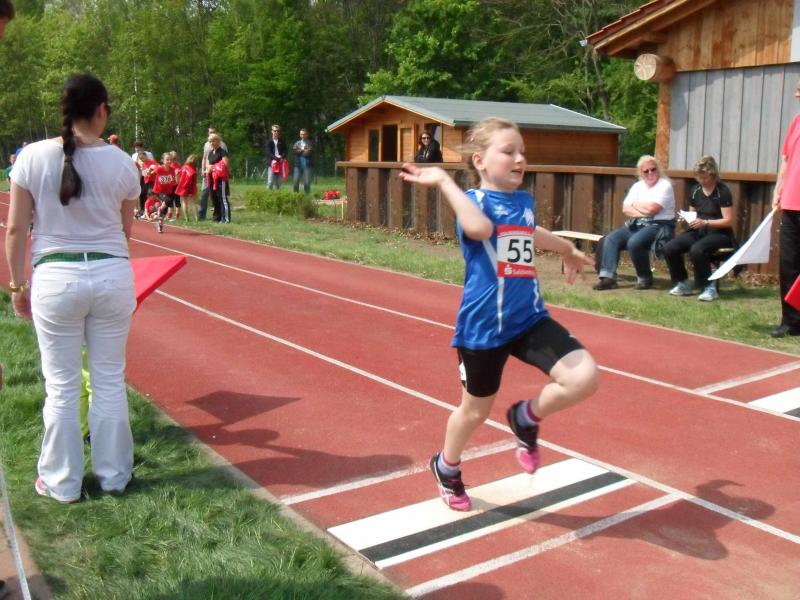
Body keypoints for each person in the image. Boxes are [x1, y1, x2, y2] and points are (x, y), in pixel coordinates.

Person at [399, 117, 598, 511]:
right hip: (483, 329)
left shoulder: (522, 202)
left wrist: (566, 249)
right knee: (475, 411)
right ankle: (446, 466)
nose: (520, 158)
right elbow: (479, 229)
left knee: (584, 378)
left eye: (522, 152)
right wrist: (444, 182)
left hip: (528, 320)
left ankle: (526, 418)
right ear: (480, 161)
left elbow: (528, 232)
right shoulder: (474, 202)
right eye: (508, 151)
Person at [5, 73, 140, 504]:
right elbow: (124, 232)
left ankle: (61, 482)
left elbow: (15, 230)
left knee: (61, 385)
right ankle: (115, 476)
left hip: (56, 277)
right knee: (109, 379)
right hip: (111, 274)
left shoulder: (31, 157)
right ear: (101, 110)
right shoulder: (123, 163)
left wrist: (17, 285)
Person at [593, 155, 676, 290]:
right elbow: (626, 208)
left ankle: (645, 278)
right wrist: (644, 211)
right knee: (611, 238)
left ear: (658, 169)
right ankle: (608, 278)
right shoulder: (638, 186)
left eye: (653, 169)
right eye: (646, 171)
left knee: (635, 242)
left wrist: (636, 204)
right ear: (640, 173)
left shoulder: (665, 185)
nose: (650, 173)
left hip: (659, 225)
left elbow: (653, 209)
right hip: (636, 224)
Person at [662, 156, 736, 302]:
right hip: (698, 230)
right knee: (669, 247)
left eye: (705, 178)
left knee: (697, 249)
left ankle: (709, 287)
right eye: (699, 178)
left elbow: (728, 221)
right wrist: (686, 218)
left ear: (713, 175)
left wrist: (706, 222)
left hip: (720, 233)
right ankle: (682, 282)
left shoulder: (722, 191)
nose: (702, 181)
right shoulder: (695, 190)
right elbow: (693, 214)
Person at [770, 78, 800, 337]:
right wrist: (778, 189)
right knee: (789, 264)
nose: (797, 94)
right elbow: (787, 159)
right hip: (791, 203)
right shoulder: (796, 121)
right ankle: (791, 321)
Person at [199, 127, 226, 220]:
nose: (211, 133)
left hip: (217, 174)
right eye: (210, 132)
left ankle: (219, 215)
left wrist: (215, 169)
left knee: (217, 195)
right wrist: (203, 169)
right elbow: (204, 158)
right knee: (204, 193)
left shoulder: (222, 145)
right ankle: (201, 215)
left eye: (213, 132)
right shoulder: (206, 144)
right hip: (207, 173)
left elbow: (224, 160)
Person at [206, 133, 230, 223]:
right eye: (210, 141)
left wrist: (213, 167)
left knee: (222, 198)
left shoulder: (222, 152)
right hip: (212, 178)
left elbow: (225, 164)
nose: (212, 143)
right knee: (214, 197)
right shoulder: (210, 153)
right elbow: (208, 165)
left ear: (218, 141)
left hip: (221, 178)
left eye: (213, 141)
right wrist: (209, 168)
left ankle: (225, 218)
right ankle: (217, 217)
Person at [175, 154, 198, 221]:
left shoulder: (183, 167)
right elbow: (194, 180)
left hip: (183, 187)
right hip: (191, 186)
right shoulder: (193, 169)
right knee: (194, 202)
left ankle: (187, 218)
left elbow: (178, 177)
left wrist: (177, 177)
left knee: (184, 202)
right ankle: (196, 218)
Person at [292, 128, 313, 194]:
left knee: (307, 183)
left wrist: (300, 151)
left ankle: (307, 197)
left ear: (307, 135)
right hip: (298, 165)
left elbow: (308, 153)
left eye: (304, 134)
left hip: (307, 165)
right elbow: (294, 151)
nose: (303, 136)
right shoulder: (297, 143)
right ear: (300, 135)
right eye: (301, 134)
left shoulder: (310, 143)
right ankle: (296, 196)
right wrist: (303, 150)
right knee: (295, 182)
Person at [266, 124, 287, 190]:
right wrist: (276, 158)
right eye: (275, 131)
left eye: (278, 131)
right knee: (270, 182)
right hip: (271, 164)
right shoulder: (269, 142)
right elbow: (268, 152)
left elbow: (285, 152)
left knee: (278, 184)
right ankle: (268, 195)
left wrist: (281, 157)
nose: (276, 132)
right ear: (272, 131)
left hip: (280, 163)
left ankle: (278, 195)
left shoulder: (282, 142)